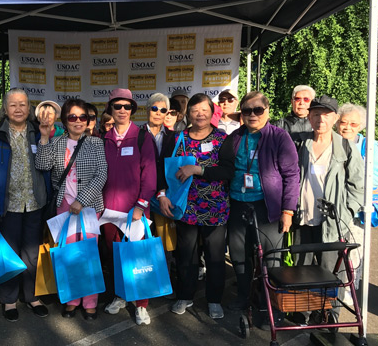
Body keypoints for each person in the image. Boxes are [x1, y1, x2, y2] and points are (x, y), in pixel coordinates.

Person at [158, 93, 235, 319]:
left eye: (204, 109)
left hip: (215, 209)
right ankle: (185, 295)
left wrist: (198, 169)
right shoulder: (177, 137)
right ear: (188, 113)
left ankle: (214, 300)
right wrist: (162, 193)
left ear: (212, 112)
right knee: (186, 256)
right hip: (185, 207)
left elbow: (228, 171)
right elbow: (163, 168)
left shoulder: (223, 139)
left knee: (215, 257)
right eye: (195, 110)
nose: (200, 114)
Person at [227, 91, 300, 329]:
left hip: (267, 207)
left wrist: (288, 210)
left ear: (267, 111)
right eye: (247, 111)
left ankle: (271, 306)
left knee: (271, 258)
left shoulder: (280, 137)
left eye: (258, 110)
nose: (252, 115)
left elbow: (292, 175)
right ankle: (244, 295)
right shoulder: (236, 137)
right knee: (238, 254)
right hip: (238, 203)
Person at [0, 88, 48, 322]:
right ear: (5, 109)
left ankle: (32, 296)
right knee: (10, 254)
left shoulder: (37, 133)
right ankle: (9, 300)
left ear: (30, 109)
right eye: (13, 105)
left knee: (31, 254)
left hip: (34, 203)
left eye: (23, 104)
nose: (18, 109)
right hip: (6, 206)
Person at [35, 99, 107, 320]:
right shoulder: (56, 142)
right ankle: (72, 300)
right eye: (72, 117)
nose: (78, 121)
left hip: (89, 208)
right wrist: (45, 137)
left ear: (88, 120)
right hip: (63, 207)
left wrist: (82, 200)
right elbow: (42, 165)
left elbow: (101, 175)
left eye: (82, 117)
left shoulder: (96, 143)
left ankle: (90, 301)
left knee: (88, 254)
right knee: (68, 255)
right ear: (64, 121)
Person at [294, 95, 364, 322]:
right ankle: (303, 311)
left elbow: (358, 186)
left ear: (334, 118)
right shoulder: (300, 143)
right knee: (302, 268)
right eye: (316, 114)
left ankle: (329, 315)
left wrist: (347, 213)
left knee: (330, 271)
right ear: (310, 117)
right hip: (303, 218)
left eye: (326, 114)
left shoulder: (345, 147)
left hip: (331, 223)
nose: (320, 119)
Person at [101, 88, 157, 325]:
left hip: (134, 211)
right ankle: (120, 296)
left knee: (138, 259)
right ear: (111, 110)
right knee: (115, 258)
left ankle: (141, 304)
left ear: (132, 109)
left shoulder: (143, 136)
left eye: (126, 106)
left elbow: (151, 176)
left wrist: (141, 205)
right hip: (107, 212)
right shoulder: (102, 138)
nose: (122, 110)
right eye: (117, 106)